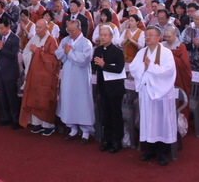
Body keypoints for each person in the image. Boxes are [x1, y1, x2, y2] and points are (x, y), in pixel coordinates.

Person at [130, 26, 178, 166]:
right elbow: (133, 68)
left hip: (161, 93)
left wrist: (150, 67)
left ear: (158, 37)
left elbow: (168, 71)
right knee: (148, 120)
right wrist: (144, 68)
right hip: (146, 92)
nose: (148, 37)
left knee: (161, 121)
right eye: (146, 35)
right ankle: (149, 149)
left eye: (151, 35)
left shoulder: (166, 53)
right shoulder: (142, 52)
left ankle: (163, 152)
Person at [56, 18, 95, 144]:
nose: (70, 33)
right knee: (68, 99)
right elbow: (58, 55)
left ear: (79, 29)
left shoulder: (86, 43)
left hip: (81, 76)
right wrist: (65, 51)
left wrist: (70, 52)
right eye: (68, 30)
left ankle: (85, 131)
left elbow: (84, 60)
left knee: (82, 100)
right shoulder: (65, 40)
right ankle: (72, 128)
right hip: (68, 74)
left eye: (72, 30)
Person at [19, 19, 60, 136]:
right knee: (34, 98)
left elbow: (54, 60)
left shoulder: (51, 40)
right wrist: (33, 53)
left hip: (46, 77)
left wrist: (38, 52)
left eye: (40, 28)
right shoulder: (34, 38)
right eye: (36, 27)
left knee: (45, 100)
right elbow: (26, 51)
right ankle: (37, 124)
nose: (37, 30)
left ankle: (48, 125)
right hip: (34, 74)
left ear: (46, 28)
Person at [92, 24, 126, 153]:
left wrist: (104, 65)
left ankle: (117, 141)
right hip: (102, 86)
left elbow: (119, 69)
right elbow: (94, 66)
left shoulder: (118, 51)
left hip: (115, 88)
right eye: (101, 35)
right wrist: (99, 65)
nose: (103, 37)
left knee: (115, 114)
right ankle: (106, 139)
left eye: (105, 35)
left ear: (111, 37)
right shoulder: (98, 50)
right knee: (105, 114)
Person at [0, 17, 21, 129]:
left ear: (8, 27)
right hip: (0, 70)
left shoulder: (15, 39)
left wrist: (2, 48)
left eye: (2, 28)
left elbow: (14, 55)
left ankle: (15, 119)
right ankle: (5, 117)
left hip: (10, 71)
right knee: (2, 96)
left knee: (11, 96)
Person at [162, 25, 192, 114]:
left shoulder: (181, 46)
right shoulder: (162, 45)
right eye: (165, 36)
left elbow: (184, 64)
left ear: (175, 35)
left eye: (169, 36)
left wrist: (170, 54)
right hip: (165, 76)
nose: (167, 39)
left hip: (178, 75)